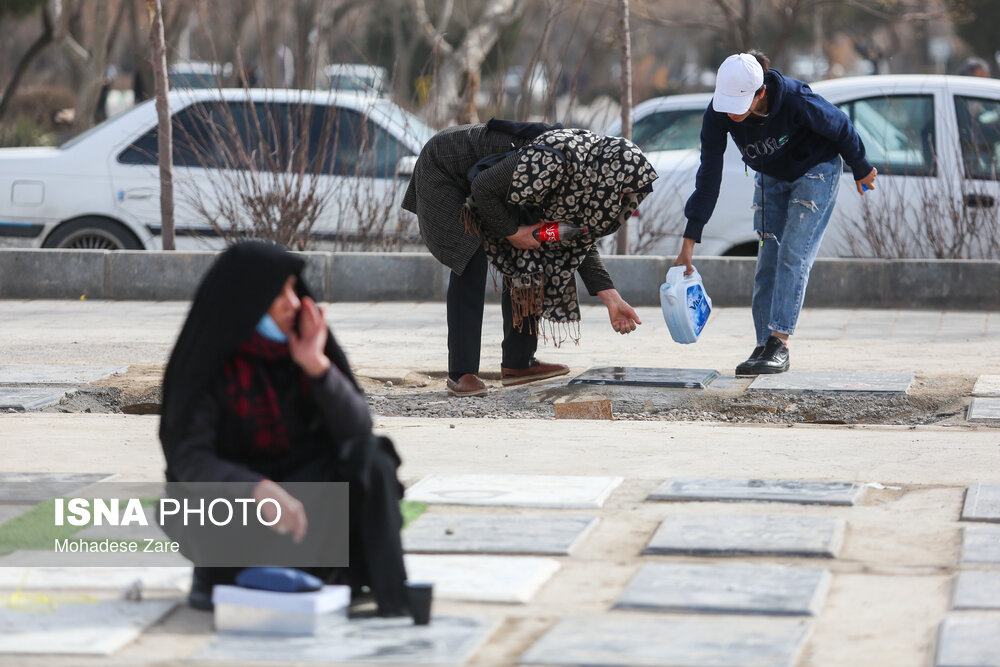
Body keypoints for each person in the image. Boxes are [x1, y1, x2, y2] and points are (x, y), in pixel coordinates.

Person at [159, 241, 409, 616]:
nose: (293, 304)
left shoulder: (300, 352)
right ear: (247, 300)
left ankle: (389, 594)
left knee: (372, 457)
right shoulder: (207, 364)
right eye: (279, 294)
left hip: (302, 506)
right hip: (237, 511)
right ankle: (221, 578)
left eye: (295, 290)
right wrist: (256, 488)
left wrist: (316, 366)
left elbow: (358, 431)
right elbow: (189, 459)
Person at [402, 119, 657, 397]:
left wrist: (612, 299)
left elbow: (578, 240)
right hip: (444, 168)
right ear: (609, 173)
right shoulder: (554, 161)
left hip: (491, 187)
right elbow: (484, 186)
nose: (619, 201)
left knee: (531, 252)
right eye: (620, 190)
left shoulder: (584, 176)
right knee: (470, 255)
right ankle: (461, 373)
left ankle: (518, 363)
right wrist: (513, 233)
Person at [675, 51, 877, 375]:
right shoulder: (718, 113)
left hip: (816, 170)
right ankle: (763, 346)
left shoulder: (796, 99)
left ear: (761, 93)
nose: (732, 113)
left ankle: (779, 343)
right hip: (771, 176)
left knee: (793, 255)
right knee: (768, 258)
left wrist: (861, 166)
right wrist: (689, 240)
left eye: (739, 105)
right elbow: (709, 174)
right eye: (727, 105)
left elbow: (840, 125)